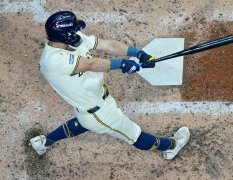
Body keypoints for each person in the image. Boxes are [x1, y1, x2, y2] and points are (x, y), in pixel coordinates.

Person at [29, 11, 190, 160]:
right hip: (99, 112)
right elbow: (90, 64)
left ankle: (44, 142)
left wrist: (138, 53)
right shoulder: (53, 61)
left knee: (84, 123)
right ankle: (173, 145)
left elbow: (107, 45)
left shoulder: (69, 40)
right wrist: (122, 64)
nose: (78, 32)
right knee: (135, 136)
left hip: (92, 103)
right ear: (65, 35)